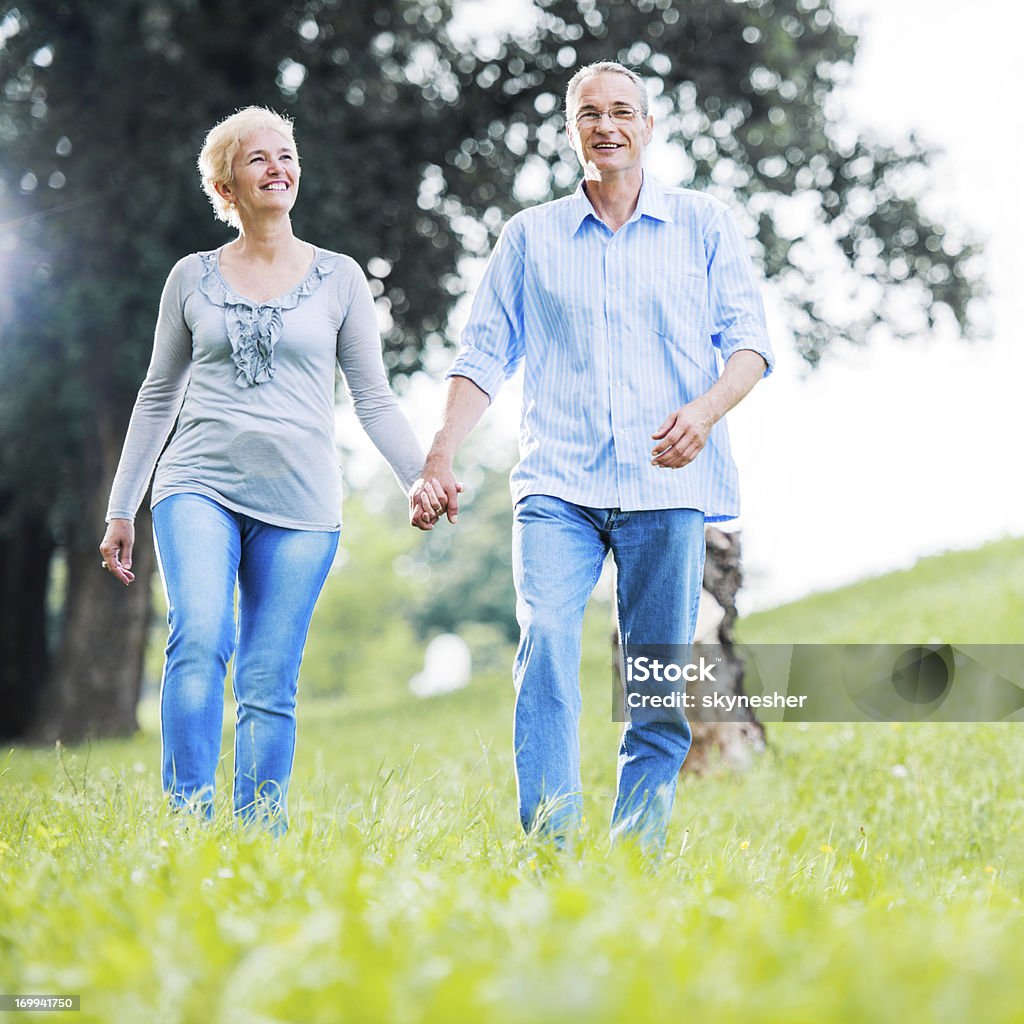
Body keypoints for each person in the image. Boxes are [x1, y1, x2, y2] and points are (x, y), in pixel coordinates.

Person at [410, 62, 774, 851]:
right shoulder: (529, 237)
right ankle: (552, 845)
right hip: (558, 484)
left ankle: (635, 852)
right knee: (544, 641)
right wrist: (440, 452)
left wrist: (706, 411)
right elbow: (481, 357)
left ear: (648, 126)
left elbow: (750, 346)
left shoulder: (702, 225)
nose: (606, 125)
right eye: (589, 114)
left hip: (665, 482)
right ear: (571, 130)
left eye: (621, 112)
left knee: (655, 681)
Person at [100, 107, 424, 832]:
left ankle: (257, 839)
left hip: (303, 503)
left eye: (287, 155)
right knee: (201, 636)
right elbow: (158, 397)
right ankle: (188, 823)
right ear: (226, 183)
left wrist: (417, 476)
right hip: (198, 483)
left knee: (268, 678)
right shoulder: (190, 278)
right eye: (259, 159)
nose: (279, 167)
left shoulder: (340, 279)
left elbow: (372, 397)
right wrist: (123, 505)